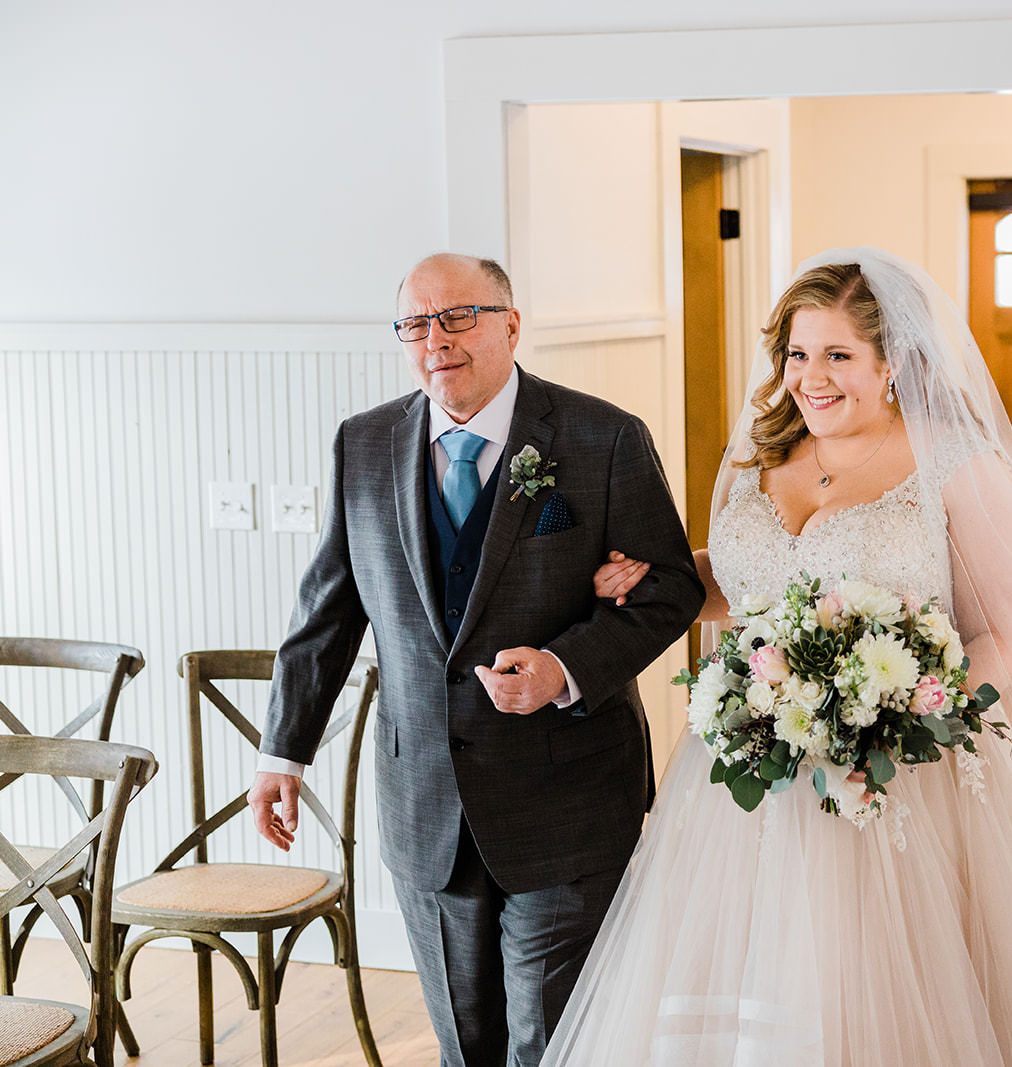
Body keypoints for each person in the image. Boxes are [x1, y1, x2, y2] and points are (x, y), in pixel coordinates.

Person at [543, 247, 1012, 1066]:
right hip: (751, 785)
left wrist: (900, 733)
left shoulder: (956, 467)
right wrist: (666, 577)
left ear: (893, 360)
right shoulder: (762, 455)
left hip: (906, 786)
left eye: (837, 355)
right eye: (797, 353)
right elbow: (746, 583)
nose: (811, 377)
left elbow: (1006, 631)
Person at [249, 253, 703, 1066]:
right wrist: (283, 748)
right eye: (417, 323)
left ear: (511, 323)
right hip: (426, 803)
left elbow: (672, 588)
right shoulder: (365, 443)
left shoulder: (604, 438)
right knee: (466, 1042)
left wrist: (564, 668)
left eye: (459, 316)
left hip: (567, 802)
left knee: (554, 1039)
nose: (437, 339)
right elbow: (326, 611)